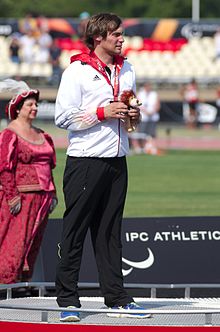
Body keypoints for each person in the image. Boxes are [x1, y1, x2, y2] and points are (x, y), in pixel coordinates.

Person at [55, 13, 150, 322]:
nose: (122, 38)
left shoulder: (129, 68)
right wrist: (101, 111)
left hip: (118, 161)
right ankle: (68, 300)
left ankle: (117, 298)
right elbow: (63, 118)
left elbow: (129, 111)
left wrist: (132, 116)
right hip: (85, 161)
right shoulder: (77, 71)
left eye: (122, 34)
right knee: (76, 230)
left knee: (110, 232)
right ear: (98, 37)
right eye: (116, 34)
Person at [0, 79, 57, 284]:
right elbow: (4, 168)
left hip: (42, 198)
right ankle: (6, 285)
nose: (35, 107)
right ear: (18, 109)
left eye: (36, 104)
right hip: (21, 199)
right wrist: (12, 196)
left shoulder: (42, 134)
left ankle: (22, 286)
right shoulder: (9, 134)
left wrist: (53, 194)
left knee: (32, 244)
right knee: (14, 242)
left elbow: (49, 166)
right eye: (30, 104)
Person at [130, 82, 161, 155]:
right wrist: (145, 111)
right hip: (143, 117)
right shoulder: (140, 94)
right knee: (141, 133)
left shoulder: (154, 94)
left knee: (152, 134)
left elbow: (158, 104)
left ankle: (151, 148)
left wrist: (153, 111)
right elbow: (137, 104)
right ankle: (141, 148)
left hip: (152, 117)